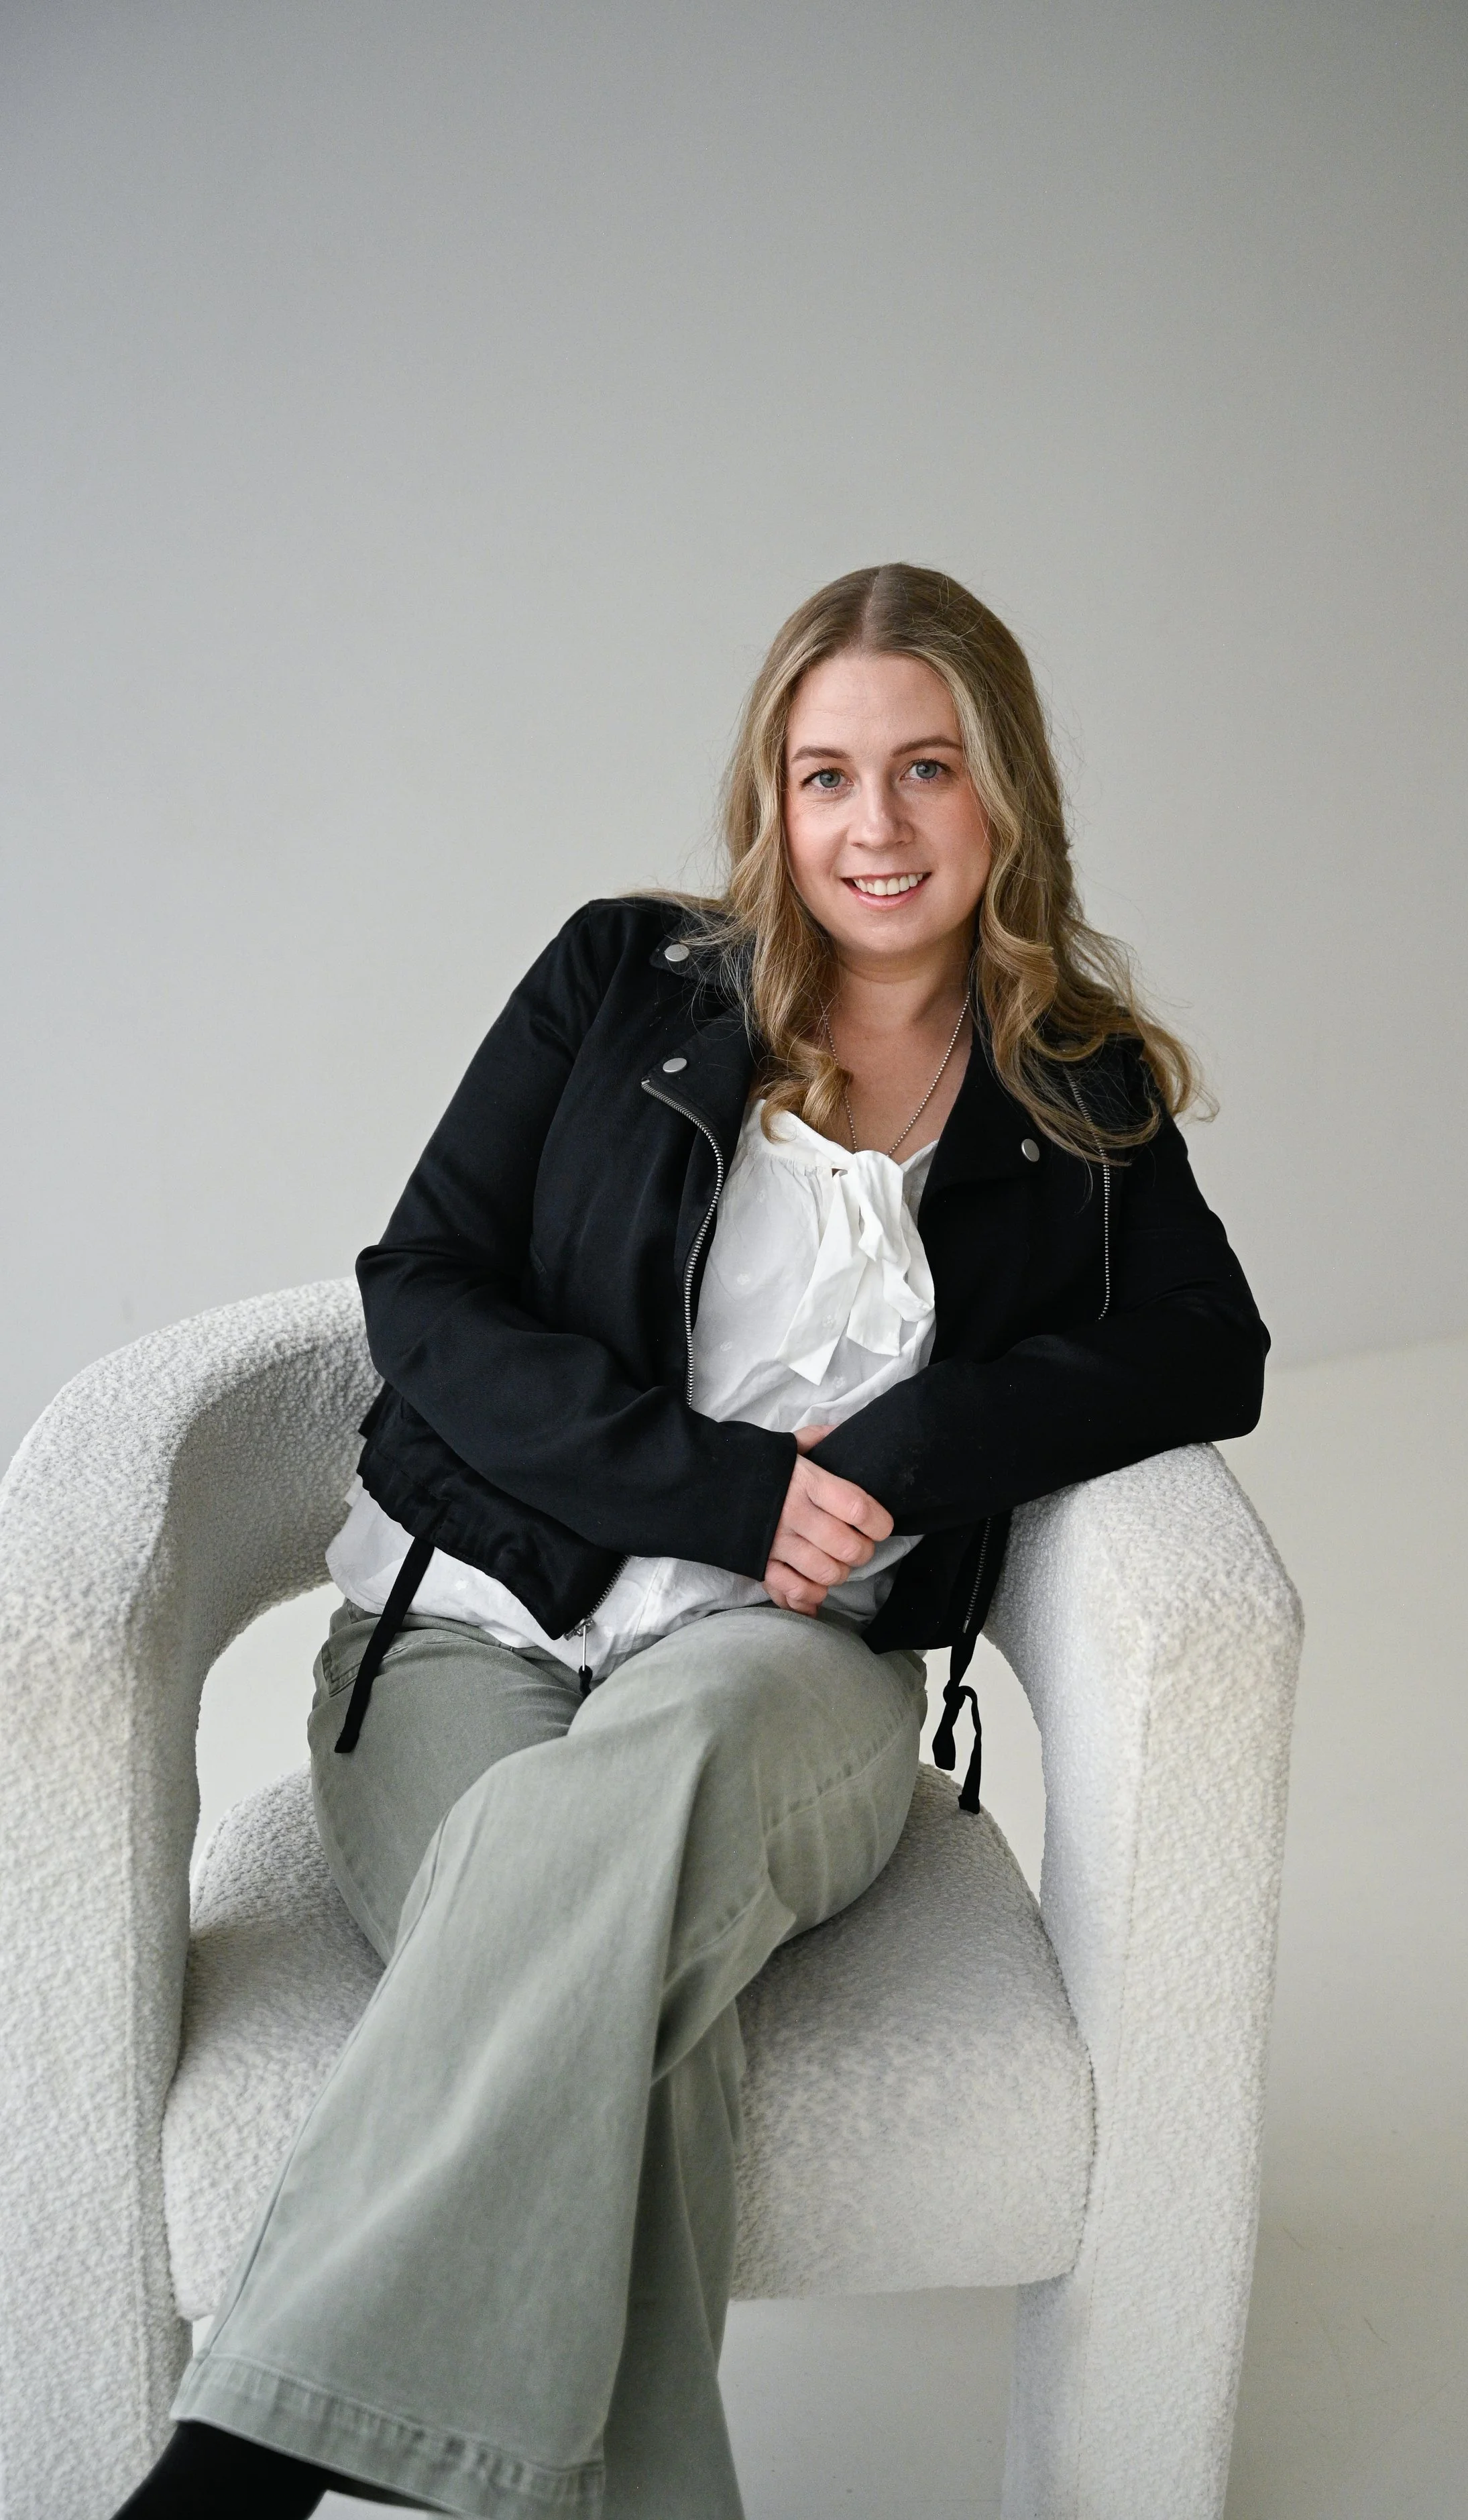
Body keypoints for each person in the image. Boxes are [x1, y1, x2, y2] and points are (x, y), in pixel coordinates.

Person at [116, 563, 1268, 2520]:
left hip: (784, 1672)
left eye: (926, 768)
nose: (875, 825)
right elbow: (423, 1287)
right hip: (464, 1633)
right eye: (827, 776)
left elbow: (1203, 1343)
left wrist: (915, 1447)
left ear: (1004, 792)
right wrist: (723, 1488)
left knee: (621, 1820)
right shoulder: (622, 982)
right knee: (626, 1997)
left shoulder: (1067, 1087)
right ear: (772, 797)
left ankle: (241, 2459)